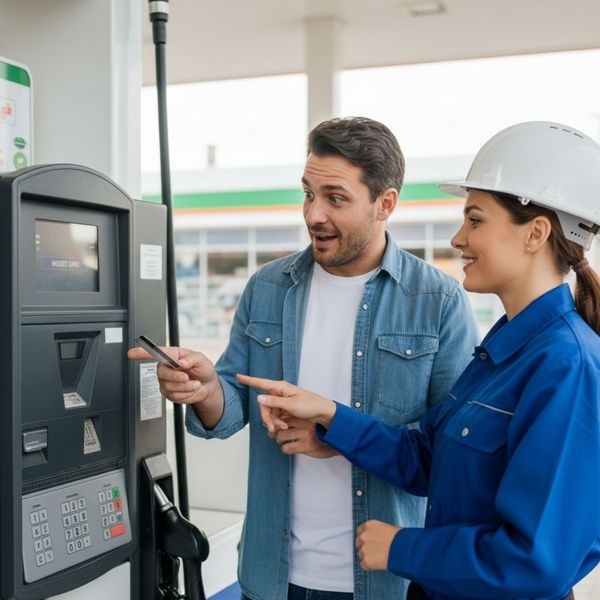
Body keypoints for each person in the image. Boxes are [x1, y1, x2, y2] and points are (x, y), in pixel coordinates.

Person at [238, 121, 600, 600]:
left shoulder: (567, 365)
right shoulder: (505, 349)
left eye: (474, 220)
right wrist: (329, 417)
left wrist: (403, 549)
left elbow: (537, 562)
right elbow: (430, 458)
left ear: (535, 233)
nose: (457, 238)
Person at [129, 116, 479, 600]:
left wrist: (340, 438)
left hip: (382, 582)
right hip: (273, 576)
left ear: (386, 204)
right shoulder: (268, 288)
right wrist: (207, 389)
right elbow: (230, 408)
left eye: (335, 198)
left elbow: (450, 454)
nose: (314, 214)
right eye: (308, 194)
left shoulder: (437, 301)